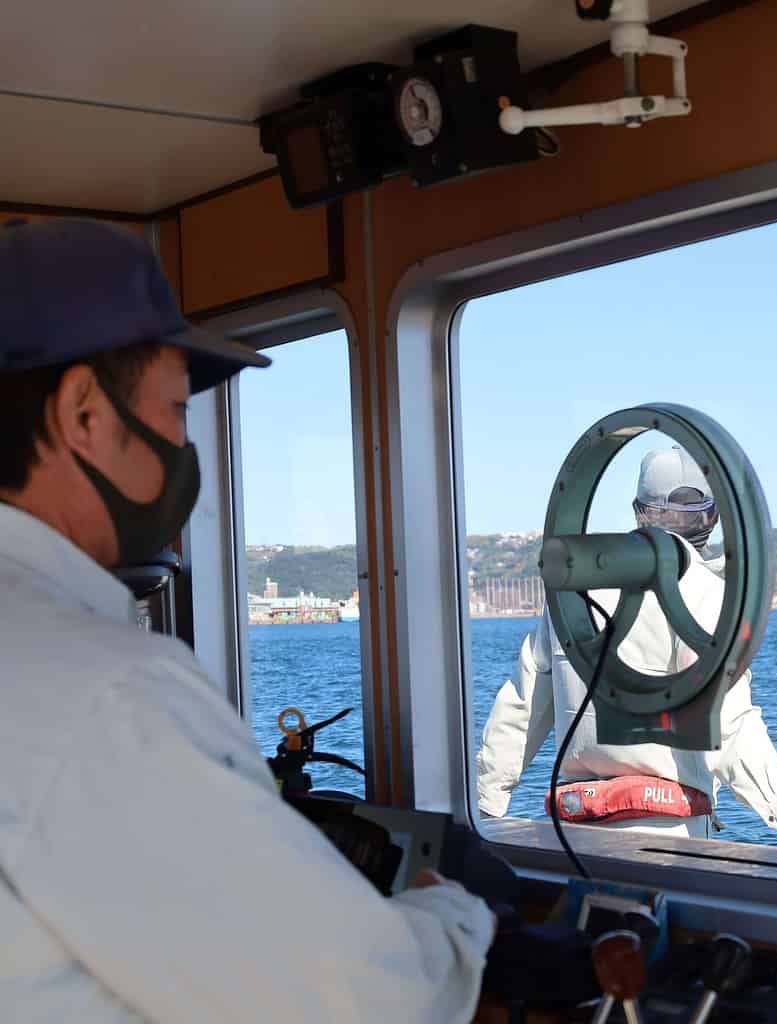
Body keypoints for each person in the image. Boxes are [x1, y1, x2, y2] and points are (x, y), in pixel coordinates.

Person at [0, 219, 493, 1022]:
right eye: (171, 410)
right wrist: (452, 916)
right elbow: (360, 1001)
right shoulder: (107, 692)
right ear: (83, 412)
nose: (182, 448)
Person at [477, 446, 777, 853]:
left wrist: (484, 808)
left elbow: (521, 709)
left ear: (639, 510)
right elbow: (728, 723)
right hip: (668, 837)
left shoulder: (572, 588)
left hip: (573, 833)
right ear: (711, 518)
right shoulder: (707, 594)